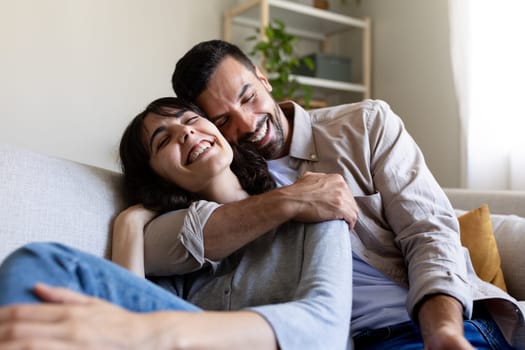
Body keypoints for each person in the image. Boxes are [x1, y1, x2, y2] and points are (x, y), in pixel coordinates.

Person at [142, 39, 524, 349]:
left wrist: (442, 333)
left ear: (263, 77)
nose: (248, 124)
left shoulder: (364, 124)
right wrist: (291, 200)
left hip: (436, 325)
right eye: (222, 120)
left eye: (247, 97)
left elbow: (428, 232)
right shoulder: (219, 183)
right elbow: (168, 245)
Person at [0, 97, 352, 349]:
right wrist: (129, 222)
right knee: (42, 265)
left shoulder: (312, 202)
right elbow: (120, 327)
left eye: (190, 120)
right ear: (157, 176)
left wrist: (159, 331)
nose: (184, 133)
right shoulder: (177, 254)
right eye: (163, 140)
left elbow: (326, 331)